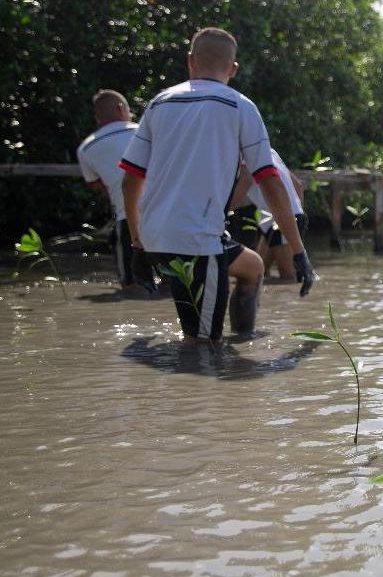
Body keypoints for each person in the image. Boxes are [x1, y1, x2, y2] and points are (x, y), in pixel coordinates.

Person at [119, 27, 315, 341]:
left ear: (190, 61)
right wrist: (298, 251)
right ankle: (209, 372)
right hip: (196, 241)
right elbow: (271, 183)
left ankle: (243, 339)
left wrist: (138, 243)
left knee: (252, 268)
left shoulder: (159, 103)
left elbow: (130, 181)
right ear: (233, 68)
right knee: (201, 345)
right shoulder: (240, 106)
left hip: (156, 235)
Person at [76, 89, 152, 294]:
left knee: (131, 286)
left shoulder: (86, 147)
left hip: (126, 218)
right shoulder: (146, 132)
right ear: (121, 108)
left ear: (97, 116)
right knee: (173, 282)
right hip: (163, 213)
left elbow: (96, 185)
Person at [230, 150, 308, 280]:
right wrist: (297, 215)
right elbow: (298, 185)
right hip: (276, 219)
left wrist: (223, 211)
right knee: (257, 273)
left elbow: (246, 179)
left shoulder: (244, 151)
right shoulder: (269, 152)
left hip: (280, 219)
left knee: (289, 277)